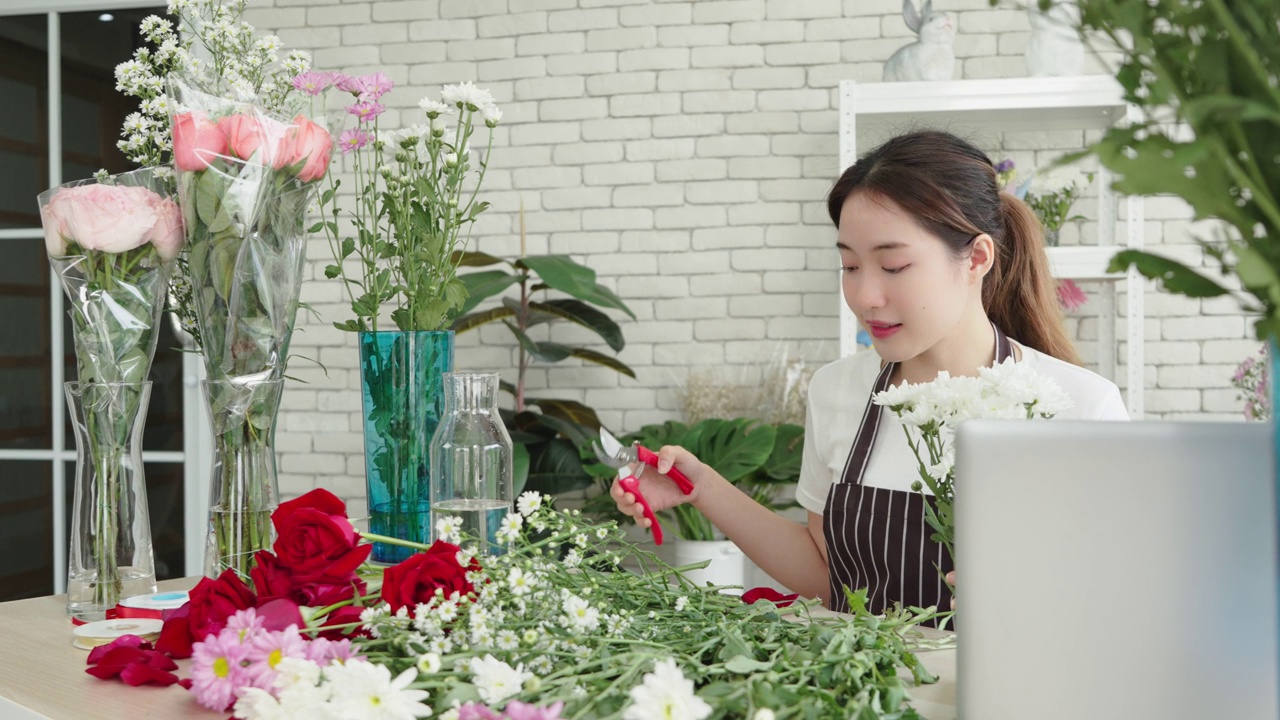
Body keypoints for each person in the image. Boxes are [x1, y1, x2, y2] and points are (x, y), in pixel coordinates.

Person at [611, 130, 1129, 618]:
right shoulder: (838, 391)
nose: (864, 297)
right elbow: (828, 577)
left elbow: (1120, 603)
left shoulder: (1081, 409)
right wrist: (700, 486)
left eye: (894, 266)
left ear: (976, 258)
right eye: (850, 266)